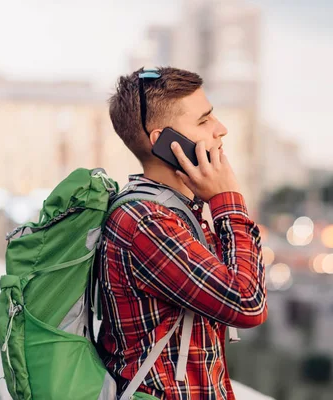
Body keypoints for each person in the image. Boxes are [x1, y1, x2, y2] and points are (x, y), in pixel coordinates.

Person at [97, 66, 268, 400]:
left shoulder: (178, 213)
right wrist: (226, 200)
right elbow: (248, 302)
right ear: (163, 142)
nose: (222, 130)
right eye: (204, 121)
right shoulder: (146, 222)